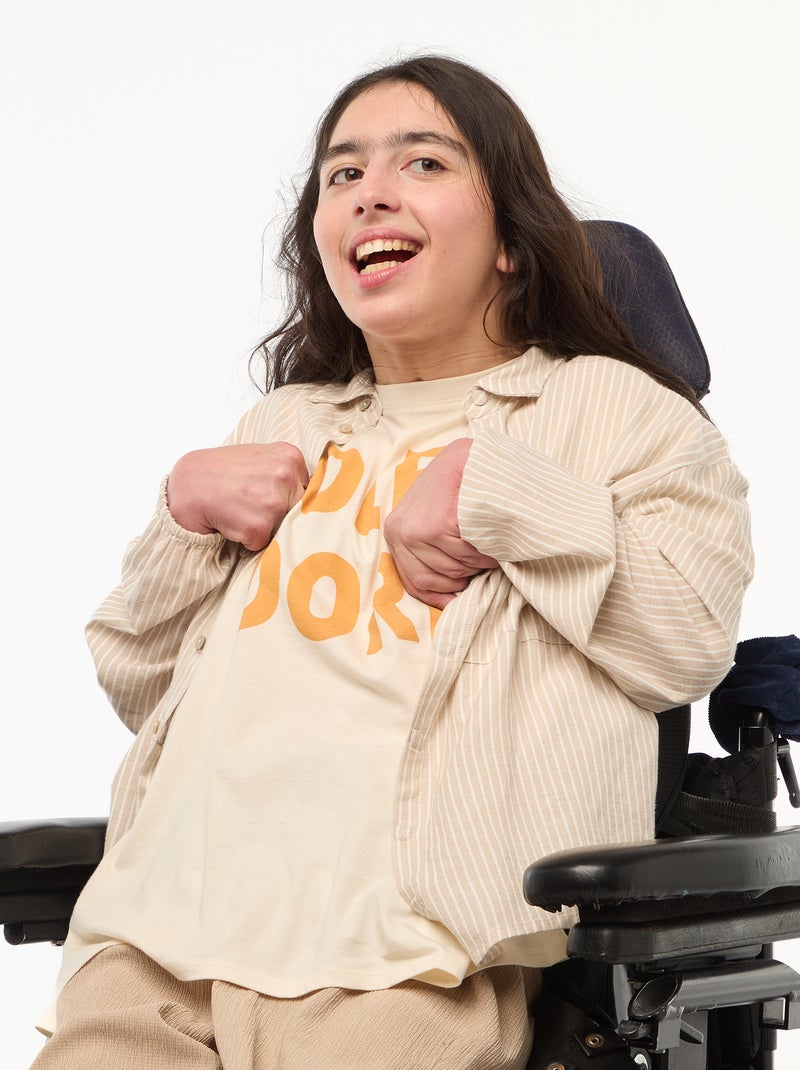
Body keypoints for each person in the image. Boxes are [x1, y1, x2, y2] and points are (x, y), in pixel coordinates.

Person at [30, 55, 753, 1070]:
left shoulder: (619, 411)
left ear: (510, 239)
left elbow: (683, 641)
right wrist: (180, 518)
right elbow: (139, 682)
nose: (370, 190)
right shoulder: (285, 424)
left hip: (411, 953)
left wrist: (496, 488)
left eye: (423, 162)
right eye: (343, 173)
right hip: (160, 938)